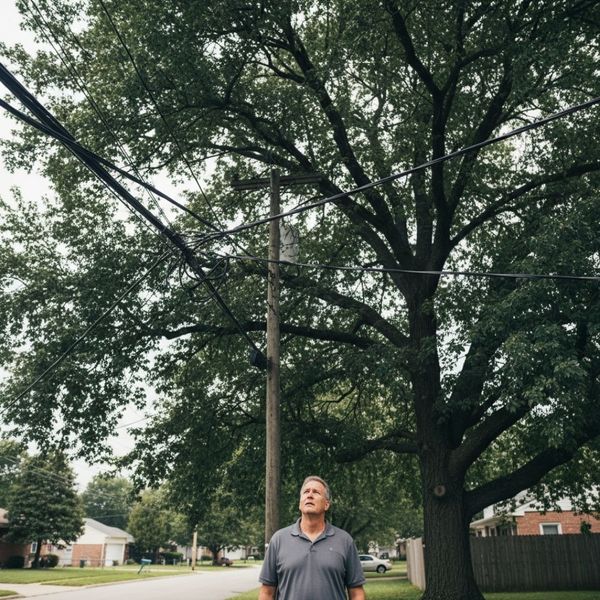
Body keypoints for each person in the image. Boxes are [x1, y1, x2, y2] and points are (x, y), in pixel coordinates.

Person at [258, 475, 366, 600]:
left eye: (316, 492)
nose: (309, 495)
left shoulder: (345, 541)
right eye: (306, 492)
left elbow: (356, 592)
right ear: (300, 503)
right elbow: (266, 592)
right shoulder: (278, 540)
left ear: (326, 504)